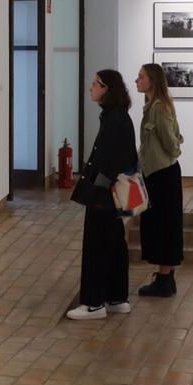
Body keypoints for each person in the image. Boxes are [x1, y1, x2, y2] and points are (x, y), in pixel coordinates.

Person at [67, 69, 138, 320]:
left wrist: (98, 188)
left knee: (97, 246)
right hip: (111, 193)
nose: (91, 88)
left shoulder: (115, 119)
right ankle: (117, 298)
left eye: (95, 84)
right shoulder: (116, 116)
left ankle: (94, 303)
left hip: (105, 194)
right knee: (114, 244)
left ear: (106, 89)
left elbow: (111, 160)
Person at [135, 63, 185, 297]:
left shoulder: (159, 107)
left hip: (163, 174)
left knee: (164, 225)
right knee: (160, 225)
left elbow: (171, 141)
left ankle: (164, 279)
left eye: (141, 77)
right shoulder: (152, 106)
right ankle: (166, 277)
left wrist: (174, 152)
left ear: (152, 80)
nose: (137, 80)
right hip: (156, 174)